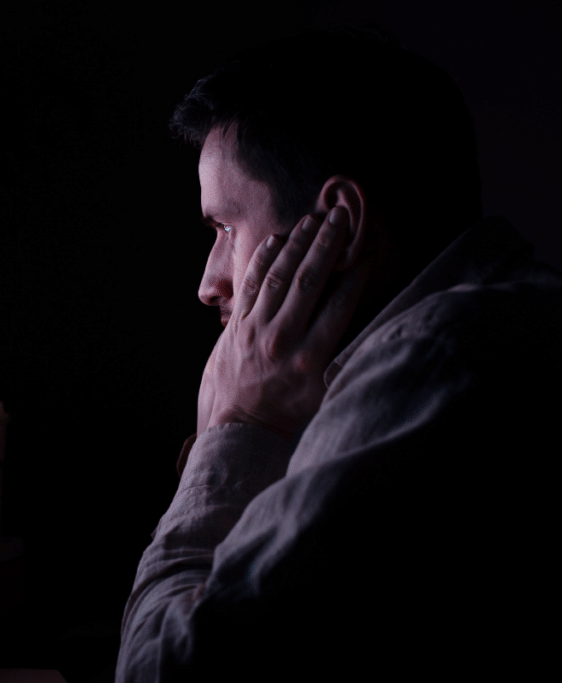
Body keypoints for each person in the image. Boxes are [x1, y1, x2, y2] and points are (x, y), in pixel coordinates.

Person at [116, 27, 561, 681]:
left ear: (337, 225)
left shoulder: (430, 362)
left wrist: (236, 433)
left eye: (225, 228)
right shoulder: (490, 321)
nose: (209, 281)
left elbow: (160, 671)